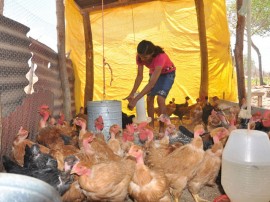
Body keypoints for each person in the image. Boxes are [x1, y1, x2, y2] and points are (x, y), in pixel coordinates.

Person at [123, 40, 176, 132]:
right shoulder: (139, 57)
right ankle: (150, 127)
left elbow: (151, 84)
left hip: (167, 74)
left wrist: (135, 100)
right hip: (154, 72)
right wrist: (132, 94)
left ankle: (162, 128)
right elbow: (139, 76)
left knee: (160, 98)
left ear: (152, 53)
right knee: (149, 98)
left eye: (145, 57)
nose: (143, 59)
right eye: (141, 56)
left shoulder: (160, 57)